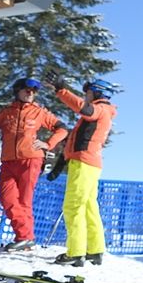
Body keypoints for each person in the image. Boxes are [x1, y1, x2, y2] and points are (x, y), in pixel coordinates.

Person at [0, 77, 67, 251]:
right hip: (8, 162)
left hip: (31, 160)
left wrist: (48, 144)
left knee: (24, 201)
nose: (31, 93)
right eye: (27, 90)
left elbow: (62, 128)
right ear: (17, 90)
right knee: (7, 199)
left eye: (34, 92)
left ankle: (24, 238)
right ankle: (27, 238)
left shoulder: (39, 112)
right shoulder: (5, 112)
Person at [45, 73, 118, 267]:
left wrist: (62, 90)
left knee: (73, 207)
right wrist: (60, 165)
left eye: (87, 92)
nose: (85, 96)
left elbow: (84, 108)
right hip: (88, 163)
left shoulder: (100, 109)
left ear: (96, 93)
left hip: (84, 163)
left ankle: (75, 253)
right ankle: (94, 250)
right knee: (87, 207)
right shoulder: (102, 111)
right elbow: (74, 142)